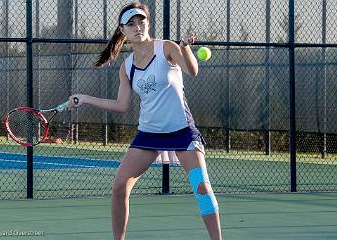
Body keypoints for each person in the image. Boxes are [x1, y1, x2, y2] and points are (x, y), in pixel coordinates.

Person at [68, 2, 222, 240]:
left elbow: (192, 71)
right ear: (123, 31)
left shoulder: (167, 48)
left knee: (202, 187)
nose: (137, 27)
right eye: (131, 24)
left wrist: (186, 49)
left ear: (148, 23)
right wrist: (86, 98)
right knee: (119, 188)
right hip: (148, 135)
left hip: (182, 132)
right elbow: (121, 105)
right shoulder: (127, 67)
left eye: (141, 21)